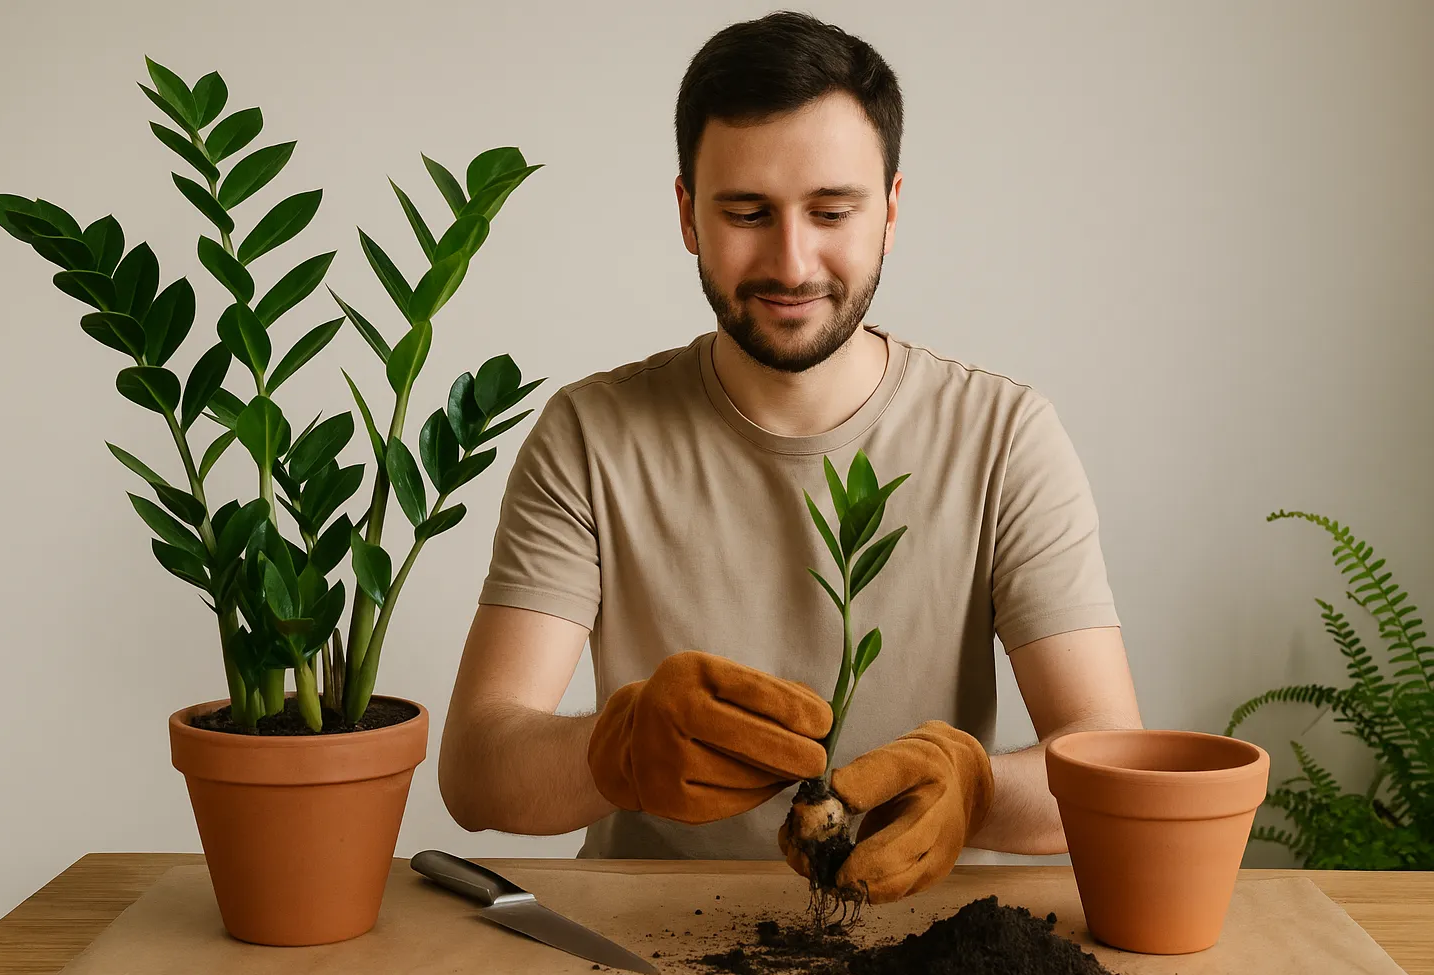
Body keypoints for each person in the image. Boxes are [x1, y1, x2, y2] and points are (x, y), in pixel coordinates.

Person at [438, 10, 1143, 903]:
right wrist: (615, 753)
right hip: (645, 948)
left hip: (924, 948)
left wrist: (976, 789)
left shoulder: (1005, 437)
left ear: (889, 211)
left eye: (832, 211)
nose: (792, 260)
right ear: (689, 215)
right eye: (747, 213)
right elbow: (474, 773)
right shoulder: (590, 436)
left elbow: (1110, 763)